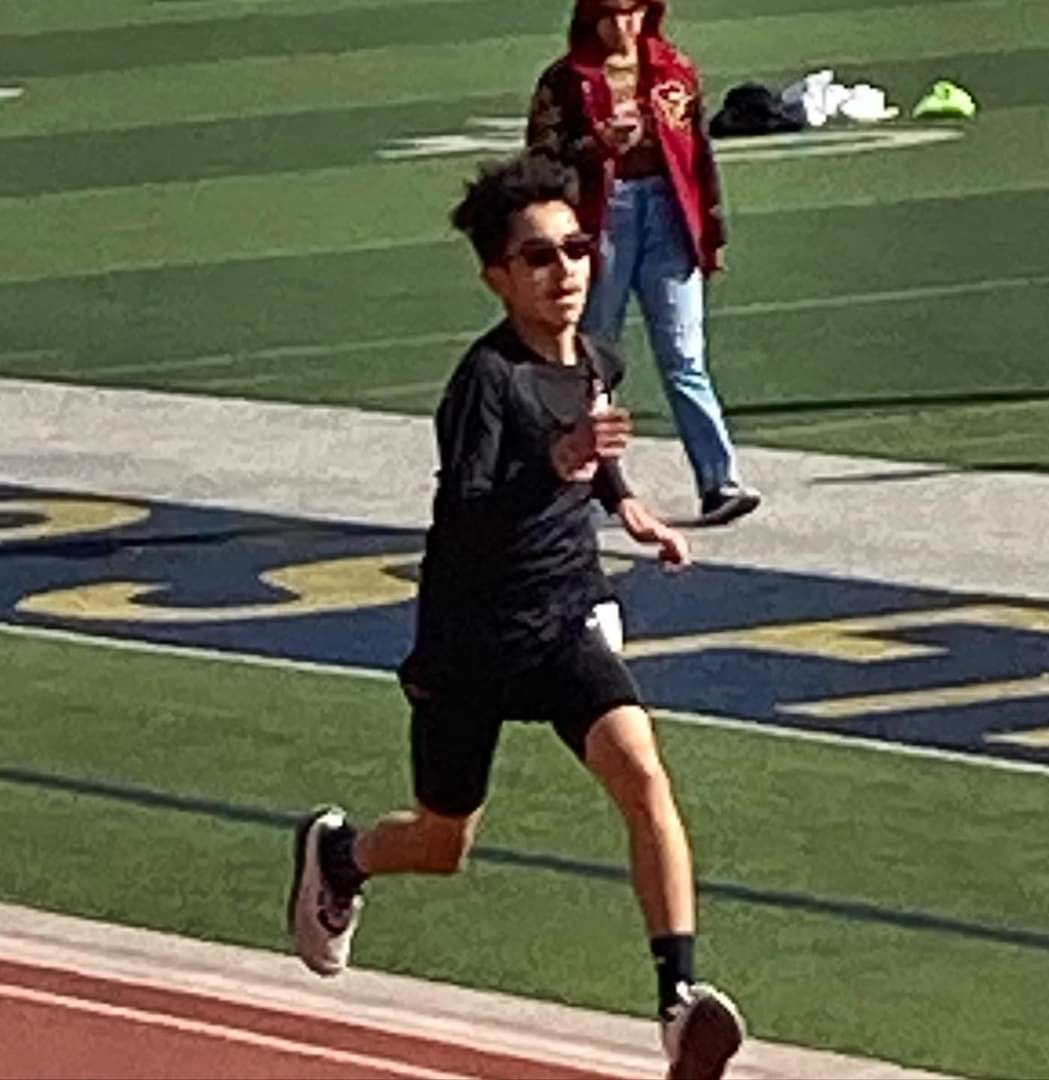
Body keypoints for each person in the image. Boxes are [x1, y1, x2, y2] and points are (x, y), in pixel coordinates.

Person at [286, 153, 745, 1080]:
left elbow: (595, 435)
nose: (564, 271)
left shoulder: (597, 359)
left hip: (566, 617)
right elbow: (475, 512)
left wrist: (630, 507)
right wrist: (567, 458)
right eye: (537, 258)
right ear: (498, 276)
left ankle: (676, 1001)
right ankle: (339, 857)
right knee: (443, 840)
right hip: (471, 636)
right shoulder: (483, 384)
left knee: (644, 776)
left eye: (575, 248)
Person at [527, 0, 760, 526]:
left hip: (670, 212)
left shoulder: (674, 69)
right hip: (600, 215)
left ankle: (718, 480)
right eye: (612, 13)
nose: (623, 25)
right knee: (594, 353)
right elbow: (539, 159)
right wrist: (597, 146)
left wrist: (712, 229)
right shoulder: (566, 80)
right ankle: (594, 483)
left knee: (685, 353)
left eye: (633, 11)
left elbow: (699, 154)